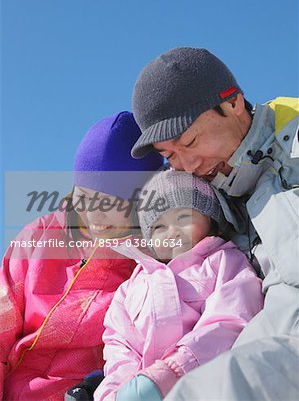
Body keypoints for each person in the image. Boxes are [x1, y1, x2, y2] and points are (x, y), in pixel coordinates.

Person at [131, 47, 299, 400]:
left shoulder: (293, 149)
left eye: (189, 141)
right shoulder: (203, 208)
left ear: (234, 103)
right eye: (170, 156)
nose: (187, 162)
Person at [0, 111, 163, 401]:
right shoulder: (40, 236)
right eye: (86, 198)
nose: (95, 214)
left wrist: (105, 383)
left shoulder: (147, 263)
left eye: (112, 202)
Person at [91, 170, 263, 401]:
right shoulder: (132, 287)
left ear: (210, 219)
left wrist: (173, 370)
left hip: (206, 386)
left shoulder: (223, 262)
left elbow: (229, 320)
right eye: (159, 227)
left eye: (183, 217)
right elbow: (119, 343)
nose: (172, 231)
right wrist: (116, 391)